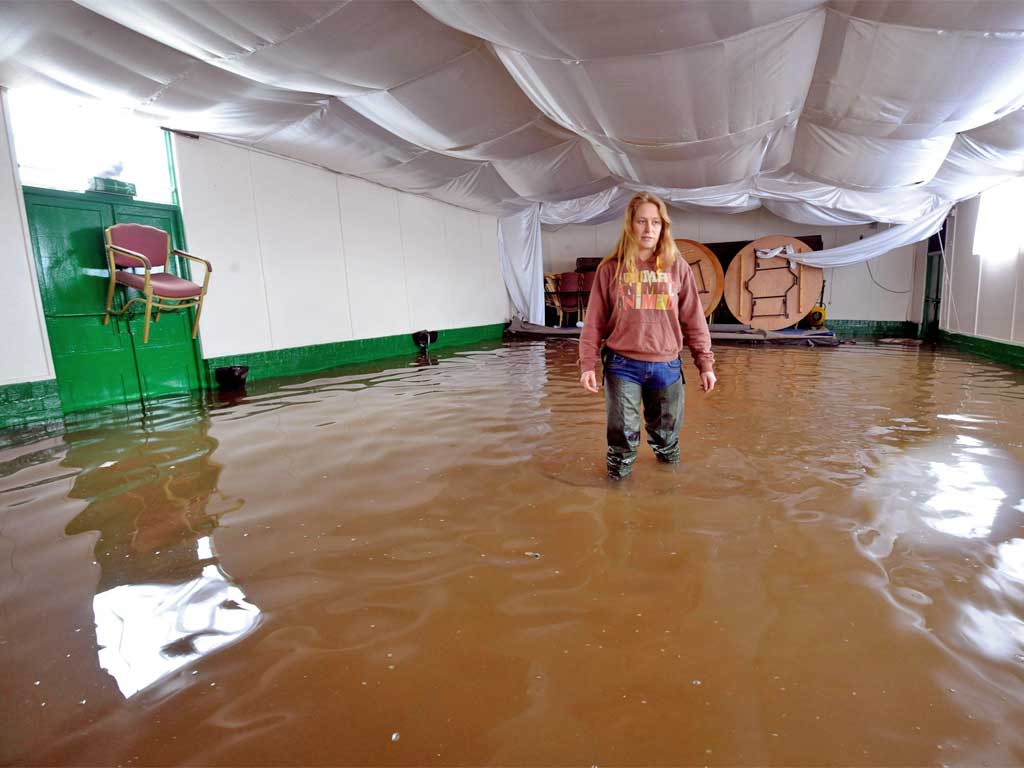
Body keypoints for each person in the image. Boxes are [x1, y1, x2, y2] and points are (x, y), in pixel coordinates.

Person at [579, 191, 717, 480]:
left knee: (667, 441)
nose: (648, 229)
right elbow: (593, 322)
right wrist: (587, 365)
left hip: (667, 366)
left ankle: (668, 495)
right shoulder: (610, 269)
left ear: (664, 226)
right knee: (622, 444)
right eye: (641, 221)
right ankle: (617, 503)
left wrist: (706, 364)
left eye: (656, 222)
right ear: (630, 225)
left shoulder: (677, 266)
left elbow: (693, 318)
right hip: (621, 366)